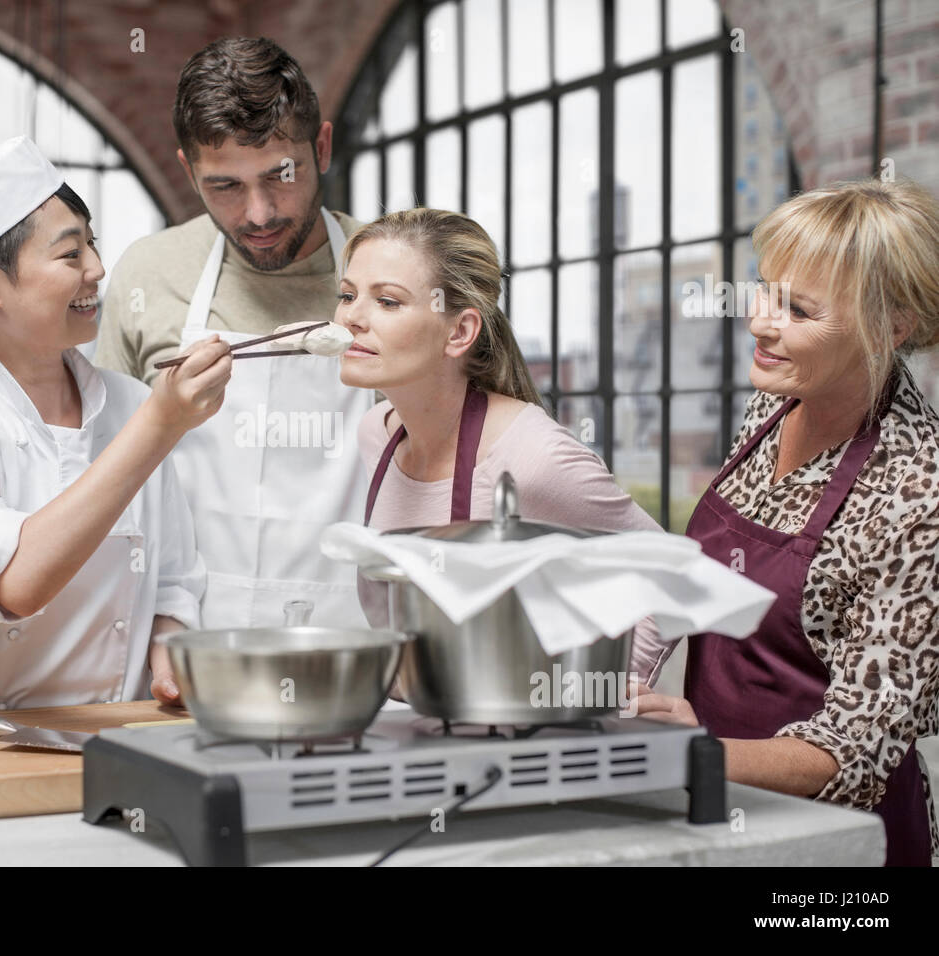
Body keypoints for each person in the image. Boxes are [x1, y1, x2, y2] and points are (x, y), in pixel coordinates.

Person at [633, 179, 939, 866]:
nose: (762, 323)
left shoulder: (920, 493)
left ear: (893, 326)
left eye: (799, 309)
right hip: (727, 811)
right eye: (765, 291)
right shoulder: (773, 409)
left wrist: (700, 751)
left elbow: (854, 757)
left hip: (841, 852)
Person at [0, 136, 230, 714]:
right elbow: (15, 585)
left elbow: (171, 576)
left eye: (92, 244)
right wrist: (160, 425)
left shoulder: (128, 400)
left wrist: (168, 653)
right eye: (70, 255)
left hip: (111, 739)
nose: (97, 269)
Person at [96, 37, 371, 629]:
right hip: (183, 652)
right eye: (224, 185)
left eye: (281, 175)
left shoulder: (391, 273)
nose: (259, 213)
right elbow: (107, 486)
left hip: (363, 652)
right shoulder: (149, 274)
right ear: (187, 170)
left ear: (321, 147)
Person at [334, 208, 664, 675]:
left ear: (460, 331)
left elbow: (662, 572)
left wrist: (606, 696)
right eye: (347, 295)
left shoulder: (531, 456)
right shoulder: (377, 435)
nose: (351, 317)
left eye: (387, 301)